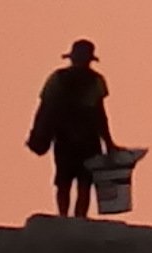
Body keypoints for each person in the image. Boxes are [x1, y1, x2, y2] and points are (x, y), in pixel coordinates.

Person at [27, 39, 117, 218]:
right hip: (87, 138)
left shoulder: (57, 79)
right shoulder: (96, 81)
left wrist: (37, 134)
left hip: (64, 136)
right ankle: (79, 218)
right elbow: (100, 115)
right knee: (84, 180)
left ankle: (63, 216)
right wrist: (108, 142)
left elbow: (44, 108)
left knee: (64, 180)